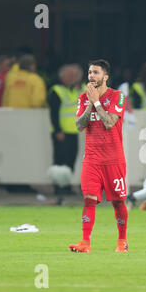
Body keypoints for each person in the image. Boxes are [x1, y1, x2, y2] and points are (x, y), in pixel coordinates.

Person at [69, 59, 129, 253]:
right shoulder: (82, 97)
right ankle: (85, 243)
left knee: (118, 201)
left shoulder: (117, 96)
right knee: (89, 199)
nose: (91, 76)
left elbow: (110, 122)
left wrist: (96, 101)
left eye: (95, 72)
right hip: (92, 159)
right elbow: (79, 125)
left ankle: (122, 240)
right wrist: (89, 103)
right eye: (89, 72)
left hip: (114, 159)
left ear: (106, 77)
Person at [49, 64, 84, 200]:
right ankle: (58, 187)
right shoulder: (57, 90)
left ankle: (66, 185)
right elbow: (54, 113)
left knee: (70, 160)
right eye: (70, 75)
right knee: (60, 160)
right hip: (61, 132)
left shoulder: (76, 90)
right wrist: (58, 130)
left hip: (73, 131)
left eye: (75, 75)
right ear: (62, 76)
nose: (73, 78)